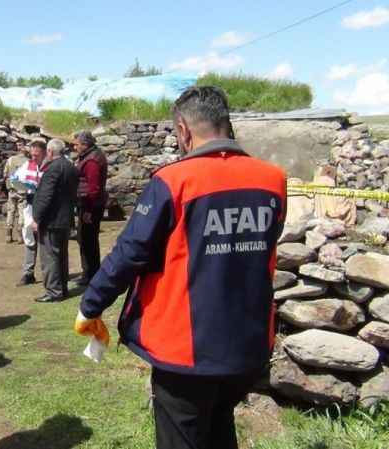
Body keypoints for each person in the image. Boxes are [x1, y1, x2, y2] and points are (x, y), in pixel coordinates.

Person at [75, 86, 287, 449]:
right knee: (220, 429)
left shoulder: (173, 181)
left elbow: (130, 252)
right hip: (246, 347)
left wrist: (89, 306)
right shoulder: (273, 180)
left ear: (184, 130)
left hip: (186, 350)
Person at [31, 138, 78, 303]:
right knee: (61, 255)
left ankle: (53, 291)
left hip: (52, 220)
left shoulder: (53, 169)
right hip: (65, 218)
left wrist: (36, 217)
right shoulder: (71, 167)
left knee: (50, 256)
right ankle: (62, 288)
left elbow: (46, 196)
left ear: (50, 152)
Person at [73, 130, 108, 287]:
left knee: (87, 240)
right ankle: (90, 272)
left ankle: (90, 273)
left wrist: (88, 210)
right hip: (89, 204)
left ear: (85, 145)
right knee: (86, 239)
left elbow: (93, 189)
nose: (75, 148)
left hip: (90, 205)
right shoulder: (91, 156)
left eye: (77, 145)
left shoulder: (92, 161)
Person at [14, 140, 45, 287]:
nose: (34, 157)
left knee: (46, 240)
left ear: (44, 153)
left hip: (46, 207)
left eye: (36, 155)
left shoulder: (49, 166)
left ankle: (49, 273)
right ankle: (28, 273)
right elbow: (17, 178)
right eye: (32, 154)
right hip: (31, 204)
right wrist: (20, 183)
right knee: (29, 238)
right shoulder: (28, 164)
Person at [2, 144, 30, 244]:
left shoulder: (10, 160)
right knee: (22, 212)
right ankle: (20, 235)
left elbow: (5, 174)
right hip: (22, 190)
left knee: (11, 211)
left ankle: (8, 234)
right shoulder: (28, 162)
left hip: (12, 190)